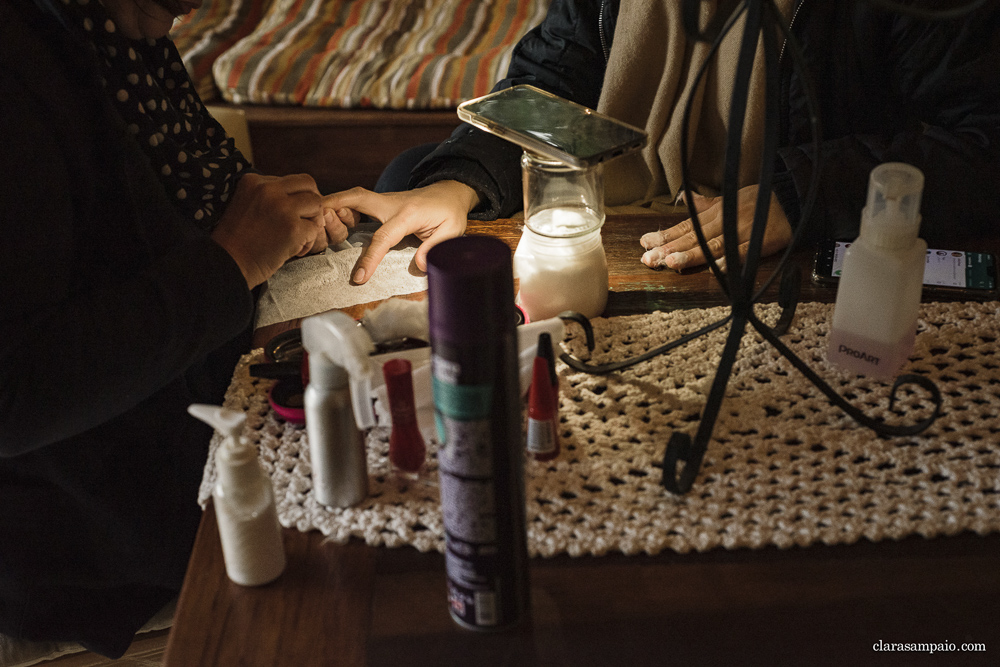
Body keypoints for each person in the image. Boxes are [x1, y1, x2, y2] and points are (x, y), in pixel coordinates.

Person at [0, 0, 347, 656]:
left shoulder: (109, 30)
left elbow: (154, 214)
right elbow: (14, 389)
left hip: (202, 428)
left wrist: (262, 214)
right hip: (100, 543)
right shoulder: (18, 69)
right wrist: (234, 259)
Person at [324, 0, 1000, 284]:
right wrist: (462, 178)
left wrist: (799, 195)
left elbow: (982, 145)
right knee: (413, 177)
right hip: (624, 216)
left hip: (792, 248)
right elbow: (558, 71)